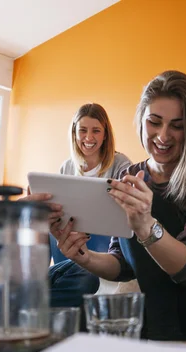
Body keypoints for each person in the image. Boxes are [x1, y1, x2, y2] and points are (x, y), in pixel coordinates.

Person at [52, 70, 186, 342]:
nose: (163, 136)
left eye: (177, 126)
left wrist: (146, 225)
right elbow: (122, 264)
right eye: (154, 122)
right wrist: (84, 257)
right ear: (141, 121)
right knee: (74, 326)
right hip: (152, 319)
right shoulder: (128, 175)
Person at [48, 103, 132, 306]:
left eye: (96, 131)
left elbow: (125, 209)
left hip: (106, 237)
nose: (89, 138)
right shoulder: (67, 166)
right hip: (72, 232)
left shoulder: (121, 163)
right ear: (75, 133)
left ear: (105, 135)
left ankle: (78, 270)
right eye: (83, 131)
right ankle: (41, 278)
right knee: (44, 223)